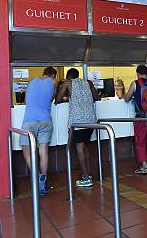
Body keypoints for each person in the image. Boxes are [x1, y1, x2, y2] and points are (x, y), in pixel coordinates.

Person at [56, 68, 99, 187]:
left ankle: (86, 178)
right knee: (86, 147)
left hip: (78, 122)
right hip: (91, 120)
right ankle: (88, 174)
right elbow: (96, 97)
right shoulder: (88, 82)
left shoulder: (68, 83)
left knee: (80, 148)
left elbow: (58, 99)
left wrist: (65, 95)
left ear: (68, 76)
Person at [21, 67, 57, 196]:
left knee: (27, 151)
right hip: (46, 120)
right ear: (53, 75)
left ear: (43, 73)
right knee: (43, 150)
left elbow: (26, 101)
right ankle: (43, 182)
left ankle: (36, 178)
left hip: (29, 121)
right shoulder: (53, 82)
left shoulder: (31, 81)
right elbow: (52, 98)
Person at [124, 64, 147, 174]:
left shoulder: (135, 83)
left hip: (141, 117)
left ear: (137, 73)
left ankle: (144, 166)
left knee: (141, 142)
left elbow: (126, 98)